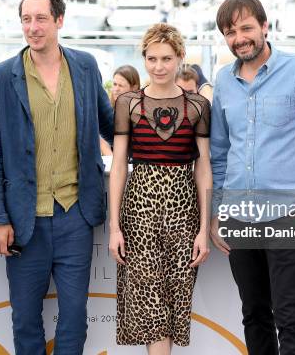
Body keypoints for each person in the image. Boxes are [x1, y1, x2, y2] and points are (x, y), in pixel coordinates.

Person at [0, 0, 113, 354]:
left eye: (41, 18)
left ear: (59, 20)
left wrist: (154, 152)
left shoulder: (85, 66)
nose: (33, 27)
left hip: (76, 215)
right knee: (25, 319)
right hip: (25, 221)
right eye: (26, 19)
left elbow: (109, 124)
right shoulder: (1, 77)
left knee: (74, 316)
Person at [209, 0, 295, 355]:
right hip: (238, 218)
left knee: (292, 320)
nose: (239, 38)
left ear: (265, 27)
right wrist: (217, 211)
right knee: (254, 316)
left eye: (247, 27)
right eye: (230, 32)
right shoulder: (223, 81)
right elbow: (219, 153)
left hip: (287, 217)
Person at [109, 23, 212, 355]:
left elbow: (204, 167)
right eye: (151, 59)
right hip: (139, 210)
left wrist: (203, 228)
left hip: (184, 212)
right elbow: (119, 165)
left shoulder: (197, 106)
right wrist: (114, 227)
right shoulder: (128, 103)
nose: (158, 66)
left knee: (176, 301)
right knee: (151, 304)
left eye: (166, 58)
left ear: (180, 58)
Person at [101, 65, 140, 156]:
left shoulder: (140, 115)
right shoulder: (110, 111)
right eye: (114, 84)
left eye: (121, 85)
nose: (116, 89)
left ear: (134, 88)